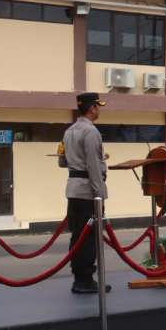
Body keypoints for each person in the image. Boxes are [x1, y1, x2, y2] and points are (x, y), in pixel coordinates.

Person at [58, 92, 111, 294]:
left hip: (73, 189)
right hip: (88, 192)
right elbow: (92, 166)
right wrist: (100, 194)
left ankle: (79, 277)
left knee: (77, 236)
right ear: (91, 108)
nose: (99, 110)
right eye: (98, 106)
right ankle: (85, 280)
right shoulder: (91, 132)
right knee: (88, 238)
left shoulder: (69, 131)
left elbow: (62, 161)